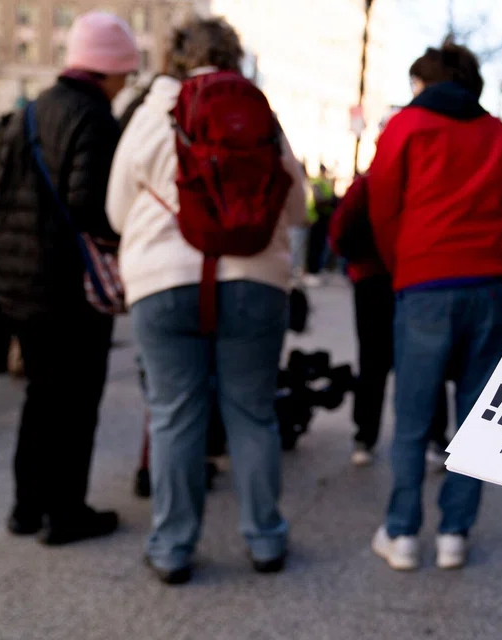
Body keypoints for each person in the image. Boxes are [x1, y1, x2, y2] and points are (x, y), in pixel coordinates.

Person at [106, 17, 306, 585]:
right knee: (253, 413)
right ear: (234, 55)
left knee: (173, 416)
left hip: (163, 282)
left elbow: (117, 211)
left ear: (173, 57)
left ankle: (172, 549)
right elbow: (294, 209)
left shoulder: (152, 112)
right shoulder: (258, 112)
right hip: (255, 281)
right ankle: (266, 540)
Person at [368, 39, 502, 571]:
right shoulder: (495, 130)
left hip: (427, 278)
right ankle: (455, 533)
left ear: (426, 83)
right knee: (476, 415)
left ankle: (403, 533)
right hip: (493, 278)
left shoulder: (405, 126)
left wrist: (403, 264)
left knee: (413, 413)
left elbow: (381, 203)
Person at [0, 11, 138, 545]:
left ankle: (25, 508)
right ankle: (65, 512)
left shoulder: (28, 113)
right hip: (69, 290)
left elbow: (0, 199)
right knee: (75, 403)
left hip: (21, 287)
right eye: (126, 71)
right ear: (109, 68)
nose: (127, 83)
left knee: (40, 397)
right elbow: (89, 205)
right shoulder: (93, 117)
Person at [329, 172, 451, 468]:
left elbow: (339, 233)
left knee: (373, 361)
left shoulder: (370, 183)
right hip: (420, 278)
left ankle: (365, 437)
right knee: (426, 358)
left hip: (373, 277)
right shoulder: (427, 180)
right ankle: (434, 437)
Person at [304, 164, 338, 286]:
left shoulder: (324, 183)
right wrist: (331, 202)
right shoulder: (317, 182)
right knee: (314, 246)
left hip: (322, 218)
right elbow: (319, 200)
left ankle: (316, 270)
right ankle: (312, 271)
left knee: (319, 246)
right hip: (316, 218)